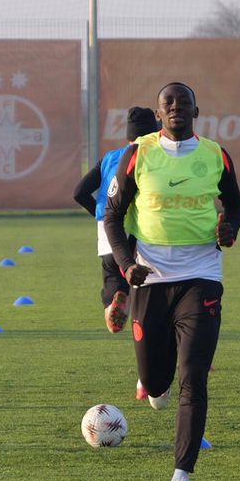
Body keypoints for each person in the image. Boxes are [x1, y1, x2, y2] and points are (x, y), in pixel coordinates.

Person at [103, 82, 240, 481]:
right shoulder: (138, 154)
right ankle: (154, 387)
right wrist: (127, 264)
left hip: (202, 275)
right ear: (159, 113)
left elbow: (235, 206)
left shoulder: (215, 154)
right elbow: (112, 216)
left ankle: (181, 476)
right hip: (150, 278)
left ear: (196, 110)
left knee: (194, 375)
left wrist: (229, 228)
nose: (177, 108)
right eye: (169, 104)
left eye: (183, 103)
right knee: (155, 380)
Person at [73, 106, 160, 335]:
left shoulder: (110, 157)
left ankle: (114, 303)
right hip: (140, 227)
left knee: (114, 279)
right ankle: (181, 344)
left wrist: (103, 217)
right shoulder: (156, 156)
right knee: (150, 289)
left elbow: (79, 191)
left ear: (128, 134)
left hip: (107, 229)